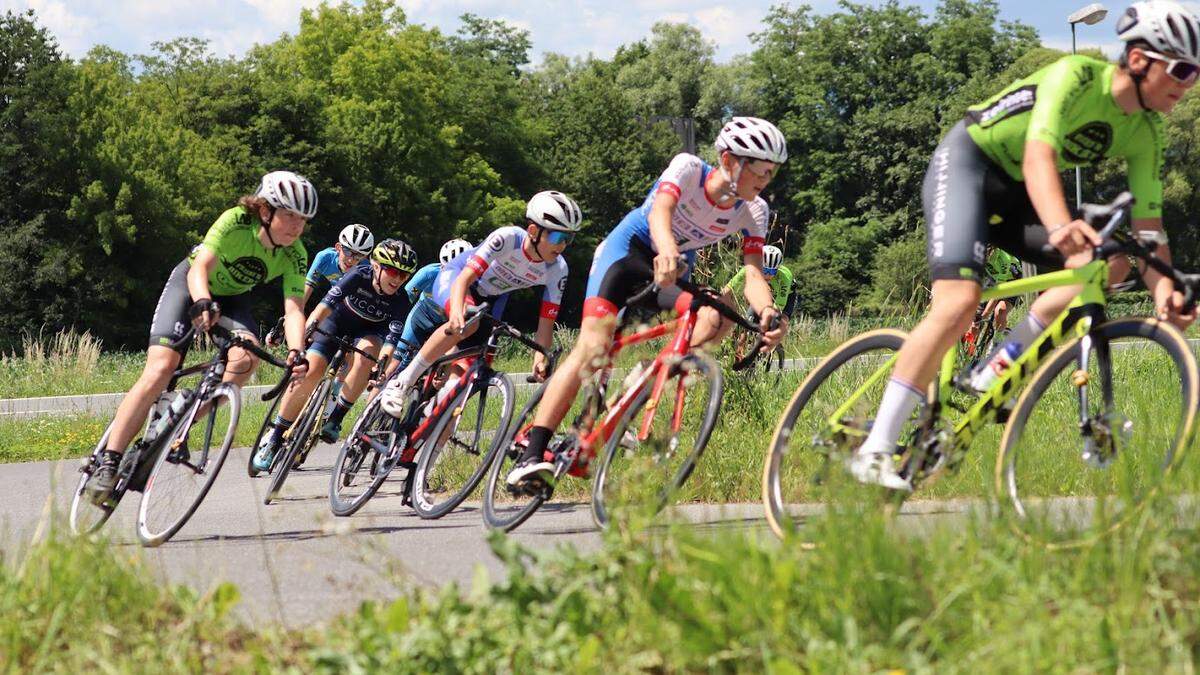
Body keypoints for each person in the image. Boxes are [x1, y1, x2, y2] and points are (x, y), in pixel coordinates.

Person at [849, 0, 1199, 491]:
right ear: (1139, 59)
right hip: (970, 165)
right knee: (959, 302)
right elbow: (1040, 156)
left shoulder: (1147, 130)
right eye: (1181, 70)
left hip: (1018, 195)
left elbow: (1150, 228)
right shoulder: (1077, 76)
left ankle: (1001, 361)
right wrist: (1060, 227)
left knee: (1113, 260)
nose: (1188, 85)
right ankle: (876, 446)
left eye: (1196, 74)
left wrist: (1164, 290)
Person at [505, 117, 790, 489]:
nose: (766, 181)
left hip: (671, 268)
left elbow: (754, 274)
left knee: (719, 316)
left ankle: (637, 386)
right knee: (594, 345)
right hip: (628, 254)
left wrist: (769, 313)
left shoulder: (754, 211)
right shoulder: (688, 169)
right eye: (761, 171)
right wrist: (669, 249)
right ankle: (532, 451)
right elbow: (660, 212)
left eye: (772, 173)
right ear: (730, 161)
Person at [85, 171, 317, 499]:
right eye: (290, 215)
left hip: (234, 299)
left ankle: (174, 427)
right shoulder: (235, 222)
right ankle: (108, 461)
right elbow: (200, 268)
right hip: (191, 284)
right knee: (161, 368)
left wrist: (297, 351)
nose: (297, 226)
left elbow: (294, 309)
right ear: (266, 211)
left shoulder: (296, 254)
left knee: (246, 361)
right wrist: (203, 301)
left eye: (303, 220)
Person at [377, 192, 580, 416]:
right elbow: (464, 279)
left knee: (462, 385)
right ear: (533, 231)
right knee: (468, 323)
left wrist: (540, 357)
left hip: (488, 299)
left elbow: (546, 324)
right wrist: (456, 311)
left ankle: (432, 424)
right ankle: (402, 383)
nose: (562, 246)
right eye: (557, 238)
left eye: (568, 239)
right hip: (457, 278)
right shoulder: (508, 238)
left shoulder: (557, 270)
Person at [251, 239, 419, 472]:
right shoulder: (359, 275)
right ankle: (275, 439)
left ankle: (336, 418)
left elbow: (391, 341)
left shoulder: (401, 300)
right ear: (376, 266)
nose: (398, 279)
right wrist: (308, 331)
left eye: (404, 275)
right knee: (311, 369)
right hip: (337, 322)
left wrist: (381, 364)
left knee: (369, 353)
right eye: (392, 270)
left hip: (369, 332)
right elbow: (324, 306)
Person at [724, 244, 798, 321]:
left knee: (780, 322)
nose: (768, 275)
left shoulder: (785, 276)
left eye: (772, 271)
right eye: (765, 270)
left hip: (787, 296)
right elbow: (731, 286)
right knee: (748, 320)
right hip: (765, 293)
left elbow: (780, 304)